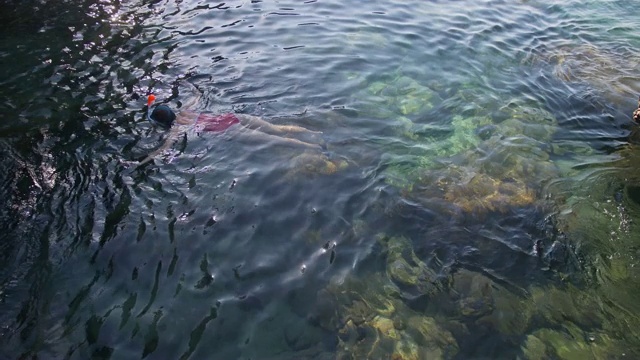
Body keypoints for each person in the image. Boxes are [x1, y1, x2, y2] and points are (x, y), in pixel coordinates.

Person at [137, 93, 325, 165]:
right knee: (277, 128)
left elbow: (163, 150)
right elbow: (196, 96)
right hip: (233, 117)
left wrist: (142, 162)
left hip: (230, 130)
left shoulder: (176, 130)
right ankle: (314, 134)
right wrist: (190, 86)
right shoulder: (185, 111)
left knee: (276, 140)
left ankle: (313, 147)